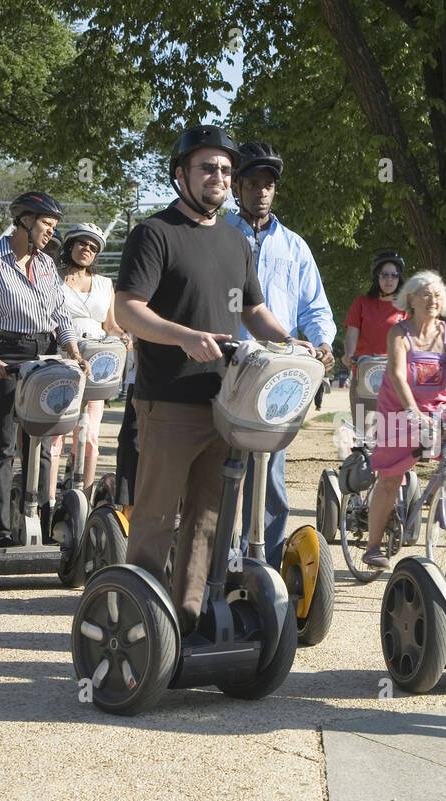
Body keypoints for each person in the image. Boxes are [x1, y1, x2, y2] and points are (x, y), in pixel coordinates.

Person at [113, 124, 318, 627]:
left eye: (226, 170)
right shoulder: (154, 233)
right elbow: (127, 310)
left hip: (226, 402)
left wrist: (289, 341)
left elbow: (255, 312)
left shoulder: (233, 241)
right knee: (156, 519)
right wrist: (183, 335)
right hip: (169, 399)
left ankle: (183, 620)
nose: (219, 177)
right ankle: (136, 620)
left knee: (207, 522)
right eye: (208, 168)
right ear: (181, 174)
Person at [223, 141, 336, 567]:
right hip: (227, 365)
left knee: (269, 469)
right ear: (237, 188)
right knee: (222, 466)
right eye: (252, 182)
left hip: (280, 373)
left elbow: (315, 308)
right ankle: (217, 559)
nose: (261, 191)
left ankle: (264, 563)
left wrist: (323, 342)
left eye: (268, 183)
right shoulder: (220, 236)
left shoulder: (295, 247)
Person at [0, 191, 88, 550]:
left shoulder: (46, 265)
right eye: (46, 224)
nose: (51, 233)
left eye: (53, 227)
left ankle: (37, 518)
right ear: (25, 220)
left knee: (39, 443)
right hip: (7, 354)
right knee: (4, 445)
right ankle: (2, 531)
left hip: (45, 353)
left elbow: (60, 315)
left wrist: (73, 350)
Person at [362, 271, 446, 569]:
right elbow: (397, 375)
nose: (433, 300)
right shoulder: (399, 332)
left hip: (439, 406)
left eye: (438, 295)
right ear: (411, 299)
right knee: (389, 479)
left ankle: (439, 500)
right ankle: (373, 546)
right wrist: (413, 411)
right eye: (426, 294)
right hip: (399, 409)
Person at [45, 223, 128, 503]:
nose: (87, 250)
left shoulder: (105, 284)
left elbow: (111, 325)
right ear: (71, 246)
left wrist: (123, 337)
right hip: (61, 357)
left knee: (90, 433)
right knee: (58, 431)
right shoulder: (52, 278)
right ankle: (48, 502)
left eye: (93, 248)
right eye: (82, 244)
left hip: (96, 364)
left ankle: (83, 499)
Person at [343, 251, 408, 400]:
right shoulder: (361, 303)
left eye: (394, 275)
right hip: (364, 372)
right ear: (376, 277)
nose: (389, 279)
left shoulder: (406, 307)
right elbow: (352, 333)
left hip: (396, 377)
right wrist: (349, 354)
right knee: (362, 421)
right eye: (384, 275)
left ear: (399, 278)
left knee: (392, 422)